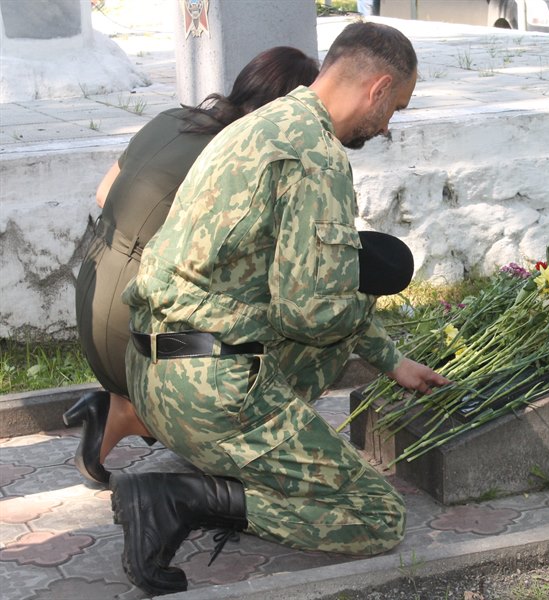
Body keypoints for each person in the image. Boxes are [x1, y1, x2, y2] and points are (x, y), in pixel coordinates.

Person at [109, 22, 450, 596]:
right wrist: (362, 289)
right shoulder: (316, 156)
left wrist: (392, 361)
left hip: (151, 375)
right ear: (378, 88)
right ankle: (183, 499)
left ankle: (237, 460)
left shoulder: (263, 123)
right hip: (208, 393)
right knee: (377, 516)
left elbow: (287, 293)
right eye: (396, 107)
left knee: (331, 329)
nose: (389, 125)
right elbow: (307, 315)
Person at [64, 47, 320, 486]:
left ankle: (118, 413)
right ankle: (232, 447)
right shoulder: (245, 156)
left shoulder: (171, 119)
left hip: (92, 300)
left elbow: (105, 193)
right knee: (286, 326)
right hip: (139, 326)